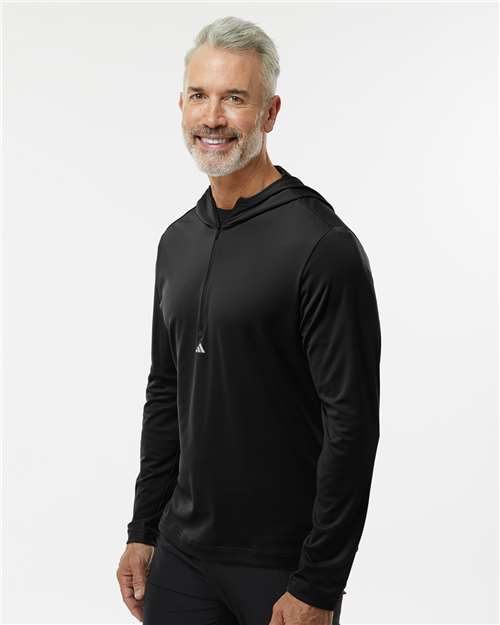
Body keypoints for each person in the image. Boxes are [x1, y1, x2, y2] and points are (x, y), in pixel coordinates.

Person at [116, 15, 381, 625]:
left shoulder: (321, 245)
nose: (212, 117)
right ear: (181, 104)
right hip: (182, 555)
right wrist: (143, 529)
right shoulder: (176, 242)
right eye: (199, 95)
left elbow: (352, 426)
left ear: (270, 112)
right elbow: (166, 393)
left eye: (234, 98)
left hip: (282, 566)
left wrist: (320, 582)